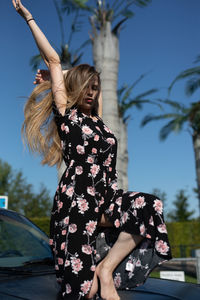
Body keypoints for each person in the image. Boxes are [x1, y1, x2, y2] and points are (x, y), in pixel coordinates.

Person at [12, 1, 172, 300]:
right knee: (84, 293)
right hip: (75, 205)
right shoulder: (67, 116)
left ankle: (106, 268)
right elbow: (54, 60)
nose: (91, 92)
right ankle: (94, 280)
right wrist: (29, 18)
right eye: (86, 87)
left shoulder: (98, 119)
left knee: (150, 207)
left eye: (95, 87)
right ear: (75, 88)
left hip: (106, 200)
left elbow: (86, 77)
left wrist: (69, 77)